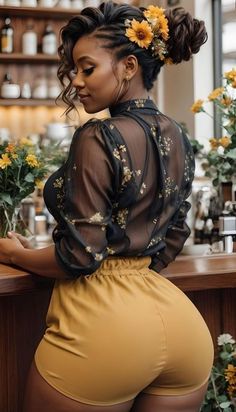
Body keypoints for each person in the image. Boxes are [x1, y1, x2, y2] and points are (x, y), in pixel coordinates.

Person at [0, 2, 214, 411]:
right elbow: (173, 237)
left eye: (87, 68)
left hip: (103, 330)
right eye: (74, 70)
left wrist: (16, 254)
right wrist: (126, 265)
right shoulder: (177, 133)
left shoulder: (99, 136)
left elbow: (80, 255)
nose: (77, 82)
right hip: (183, 329)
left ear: (129, 65)